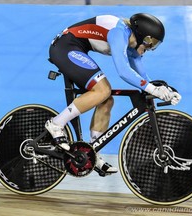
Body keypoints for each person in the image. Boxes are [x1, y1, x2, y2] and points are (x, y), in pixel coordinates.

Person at [45, 13, 182, 176]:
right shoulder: (119, 32)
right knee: (103, 90)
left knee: (106, 100)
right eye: (151, 43)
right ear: (143, 36)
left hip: (76, 48)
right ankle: (56, 124)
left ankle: (92, 152)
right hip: (65, 46)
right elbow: (124, 72)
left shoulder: (132, 45)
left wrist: (164, 91)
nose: (151, 48)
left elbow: (143, 77)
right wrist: (152, 89)